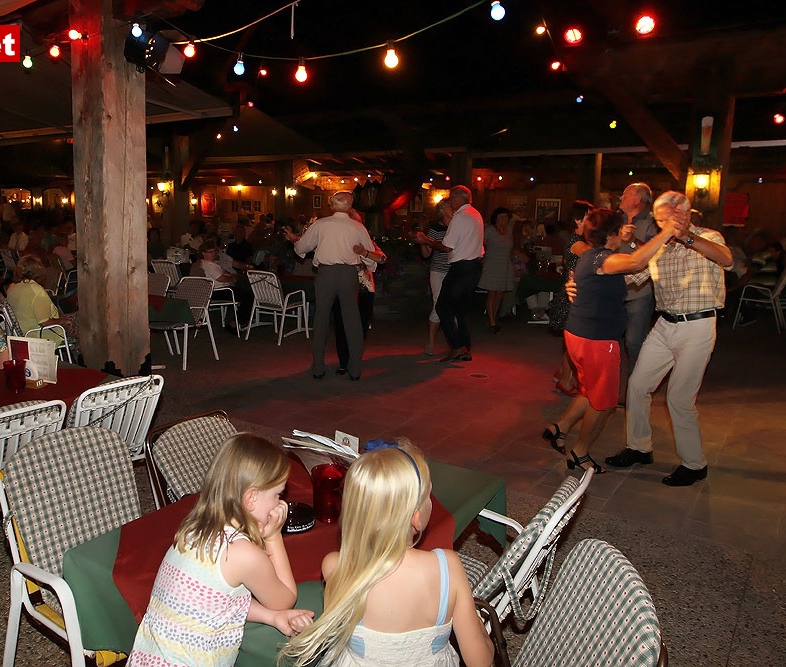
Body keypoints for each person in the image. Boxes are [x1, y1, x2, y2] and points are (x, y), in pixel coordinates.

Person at [280, 441, 493, 667]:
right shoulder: (447, 567)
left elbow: (338, 633)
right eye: (428, 496)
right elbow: (480, 661)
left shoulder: (335, 566)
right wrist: (478, 623)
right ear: (416, 518)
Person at [128, 434, 314, 666]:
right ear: (251, 498)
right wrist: (274, 537)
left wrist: (272, 617)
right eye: (277, 495)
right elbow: (285, 599)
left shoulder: (194, 529)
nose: (280, 504)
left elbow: (216, 603)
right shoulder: (243, 553)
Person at [604, 191, 733, 486]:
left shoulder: (708, 236)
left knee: (679, 397)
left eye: (666, 220)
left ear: (684, 214)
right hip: (664, 324)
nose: (662, 226)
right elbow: (630, 277)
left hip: (698, 326)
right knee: (638, 385)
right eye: (659, 221)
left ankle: (694, 464)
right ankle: (639, 448)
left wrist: (687, 237)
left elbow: (726, 259)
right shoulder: (660, 246)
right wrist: (587, 281)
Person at [541, 208, 680, 473]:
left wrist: (631, 241)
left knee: (589, 391)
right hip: (596, 339)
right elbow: (636, 262)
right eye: (620, 230)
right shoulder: (603, 259)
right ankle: (579, 453)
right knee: (604, 403)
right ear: (612, 234)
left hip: (579, 334)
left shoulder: (590, 254)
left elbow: (631, 266)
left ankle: (559, 427)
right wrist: (667, 232)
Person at [284, 191, 374, 381]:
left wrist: (295, 242)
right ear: (350, 206)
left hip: (326, 274)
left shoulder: (320, 224)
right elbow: (369, 254)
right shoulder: (358, 227)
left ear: (332, 205)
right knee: (352, 320)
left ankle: (318, 367)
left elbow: (302, 247)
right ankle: (355, 368)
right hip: (348, 274)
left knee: (321, 319)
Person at [415, 186, 485, 363]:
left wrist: (427, 240)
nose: (450, 202)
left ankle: (456, 346)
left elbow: (447, 247)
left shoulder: (460, 216)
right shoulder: (476, 214)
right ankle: (465, 347)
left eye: (451, 199)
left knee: (443, 306)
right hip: (474, 266)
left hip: (461, 268)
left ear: (458, 198)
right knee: (462, 310)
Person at [331, 210, 385, 376]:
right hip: (341, 287)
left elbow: (382, 258)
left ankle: (354, 360)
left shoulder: (366, 242)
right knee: (341, 324)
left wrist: (363, 252)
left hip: (364, 289)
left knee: (360, 326)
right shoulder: (336, 242)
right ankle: (343, 361)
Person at [548, 200, 593, 395]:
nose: (594, 221)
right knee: (573, 344)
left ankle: (563, 374)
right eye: (590, 216)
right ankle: (565, 381)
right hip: (573, 296)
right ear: (578, 220)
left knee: (571, 342)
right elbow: (596, 256)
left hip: (574, 294)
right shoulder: (578, 243)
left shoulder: (580, 240)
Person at [618, 182, 657, 379]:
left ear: (637, 199)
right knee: (609, 338)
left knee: (634, 341)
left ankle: (636, 385)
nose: (621, 198)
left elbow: (657, 254)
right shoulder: (617, 219)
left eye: (625, 194)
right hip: (615, 289)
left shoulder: (653, 222)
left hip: (639, 291)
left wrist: (632, 241)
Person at [6, 255, 80, 352]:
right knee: (81, 320)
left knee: (74, 318)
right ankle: (81, 354)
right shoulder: (36, 291)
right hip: (43, 335)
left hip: (25, 333)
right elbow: (44, 322)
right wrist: (63, 321)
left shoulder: (12, 288)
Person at [477, 207, 526, 333]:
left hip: (505, 264)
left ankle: (493, 318)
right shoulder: (489, 230)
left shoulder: (509, 230)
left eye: (506, 217)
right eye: (502, 217)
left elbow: (512, 247)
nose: (504, 219)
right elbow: (480, 243)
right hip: (492, 264)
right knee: (492, 292)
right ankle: (492, 321)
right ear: (496, 218)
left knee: (500, 292)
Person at [418, 204, 451, 355]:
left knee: (455, 305)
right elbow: (426, 254)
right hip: (439, 270)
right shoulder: (435, 229)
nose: (453, 209)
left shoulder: (458, 226)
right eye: (449, 206)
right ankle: (431, 342)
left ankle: (455, 343)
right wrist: (423, 242)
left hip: (455, 270)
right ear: (442, 211)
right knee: (438, 304)